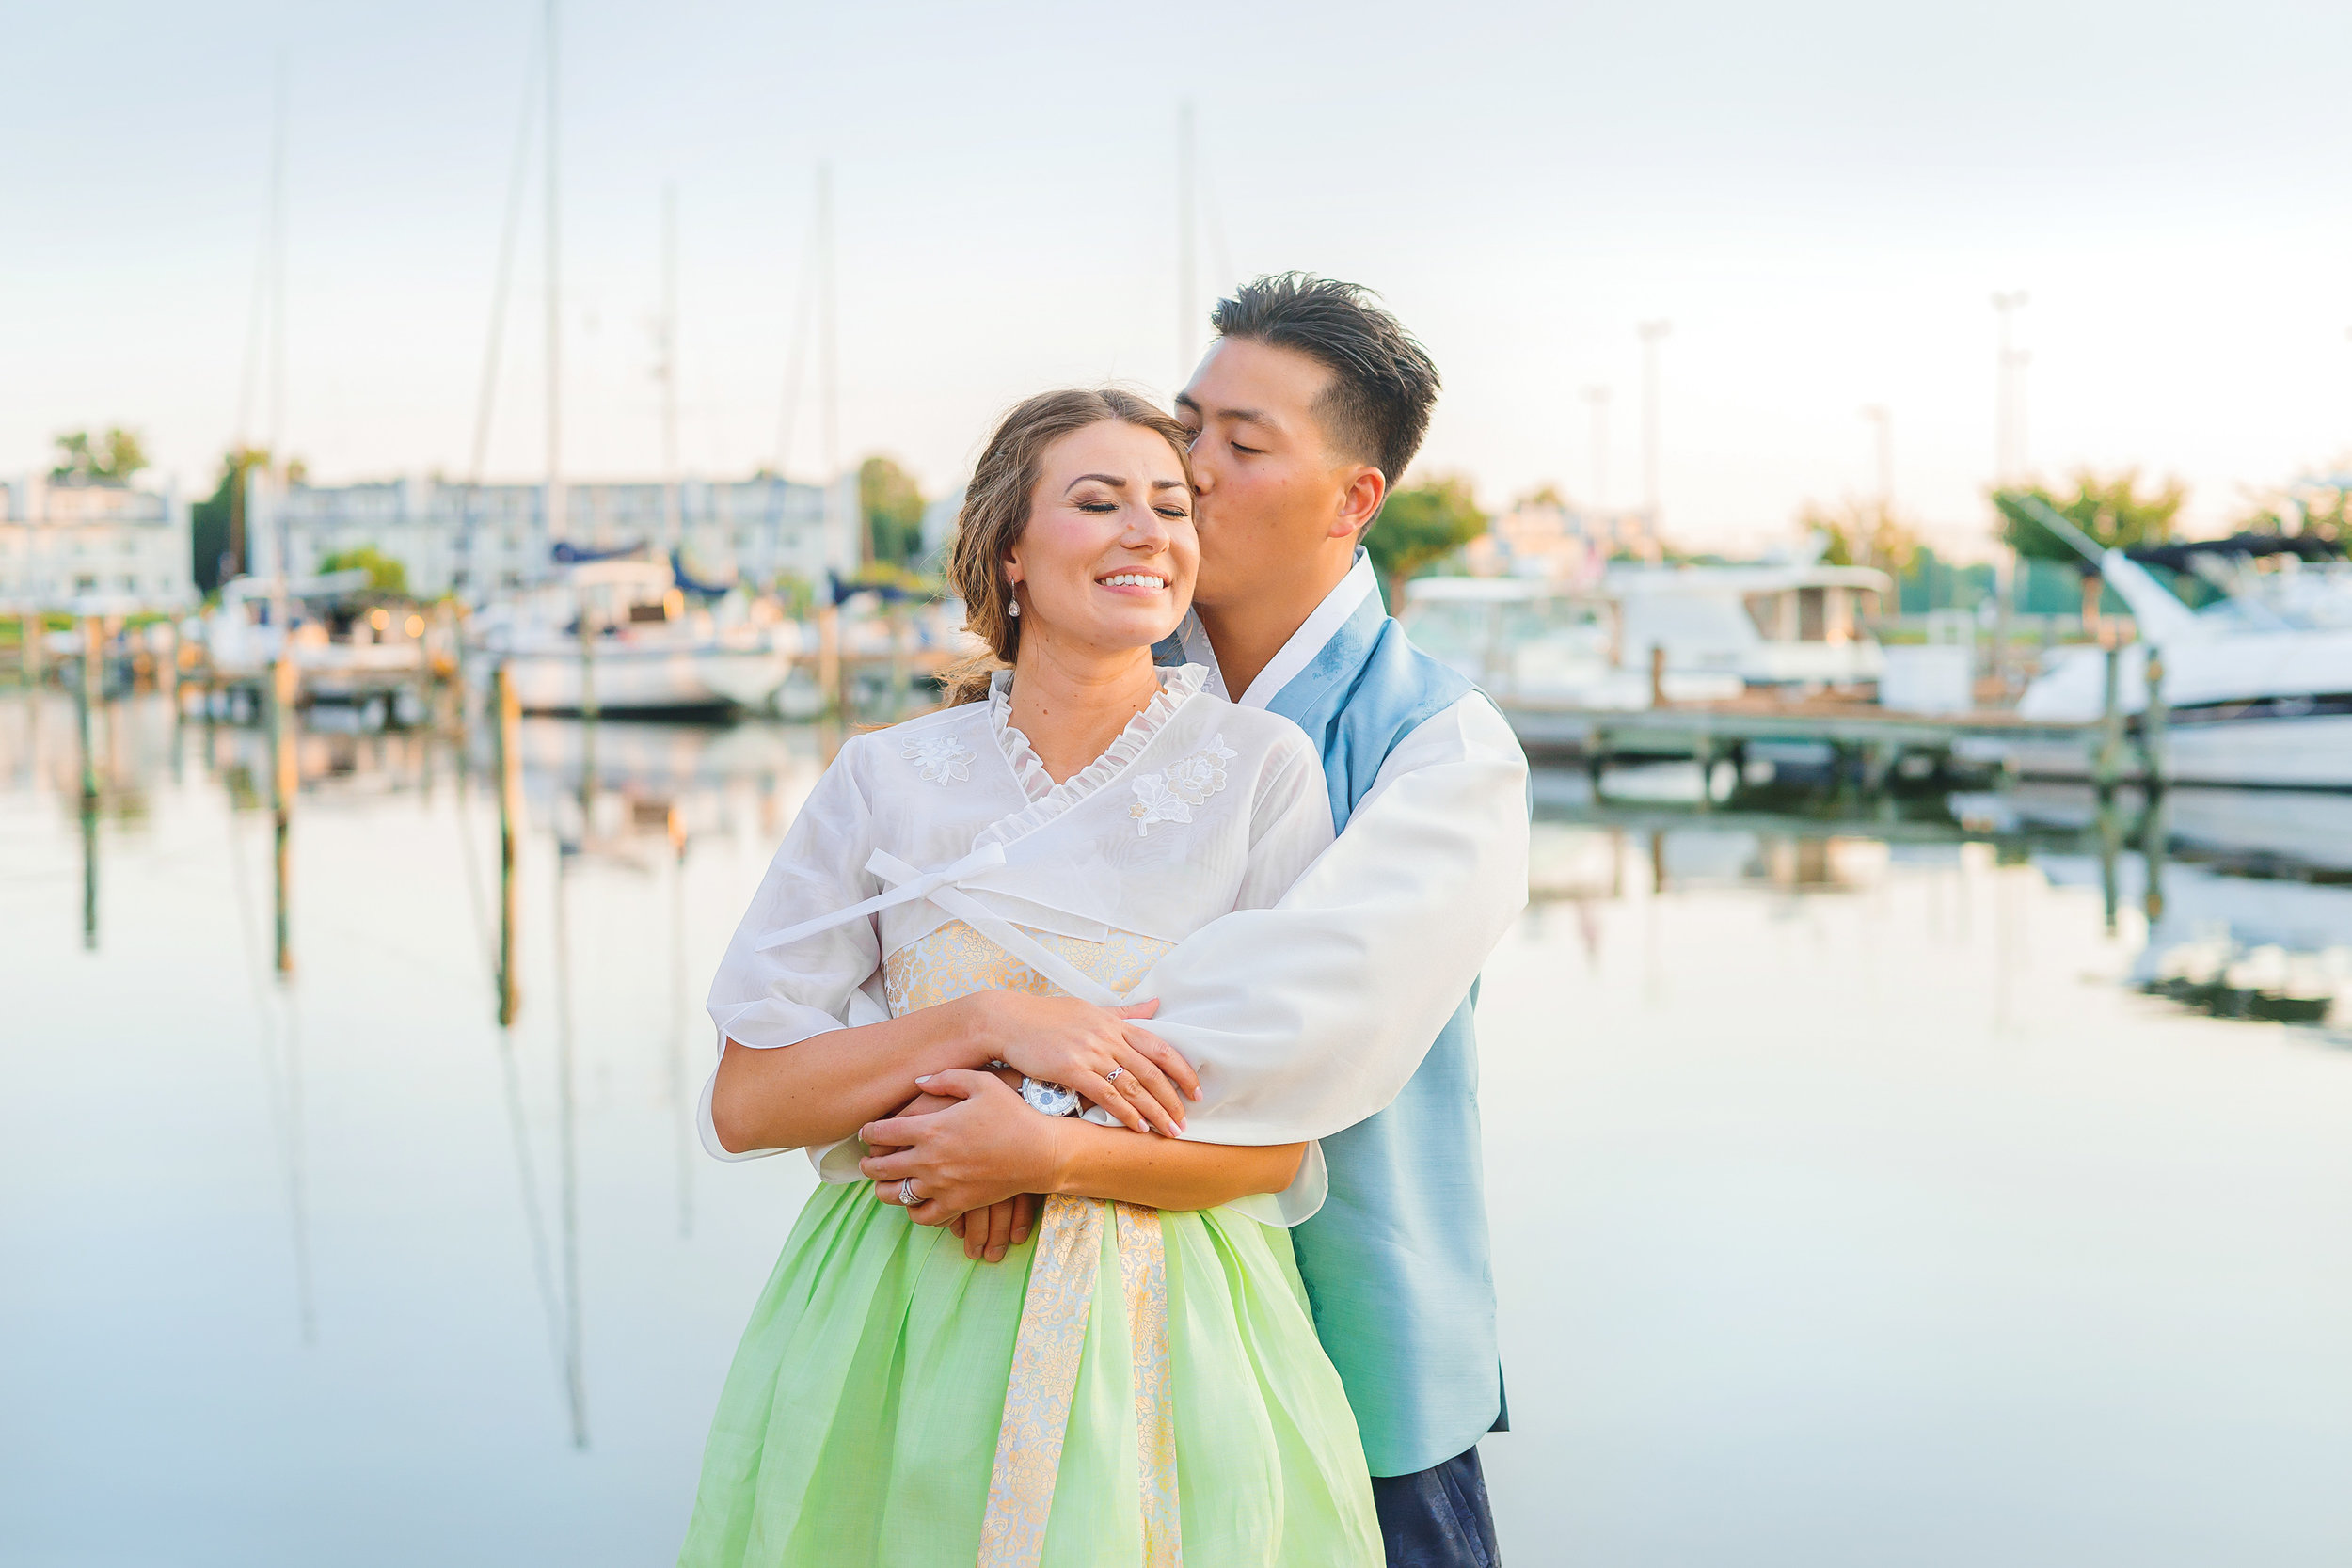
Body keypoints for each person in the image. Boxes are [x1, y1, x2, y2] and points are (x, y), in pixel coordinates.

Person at [859, 275, 1531, 1568]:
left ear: (1355, 499)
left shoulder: (1442, 747)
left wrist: (1017, 1122)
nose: (1189, 468)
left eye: (1244, 443)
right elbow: (899, 951)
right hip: (1058, 1341)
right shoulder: (1079, 692)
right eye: (1187, 424)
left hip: (1349, 1366)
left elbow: (1294, 1010)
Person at [679, 387, 1385, 1566]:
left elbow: (1278, 1140)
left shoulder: (1259, 769)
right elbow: (747, 1102)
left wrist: (1034, 1143)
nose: (1145, 530)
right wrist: (982, 1025)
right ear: (1008, 549)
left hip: (1172, 1317)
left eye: (1171, 505)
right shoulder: (885, 778)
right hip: (905, 1302)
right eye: (1097, 501)